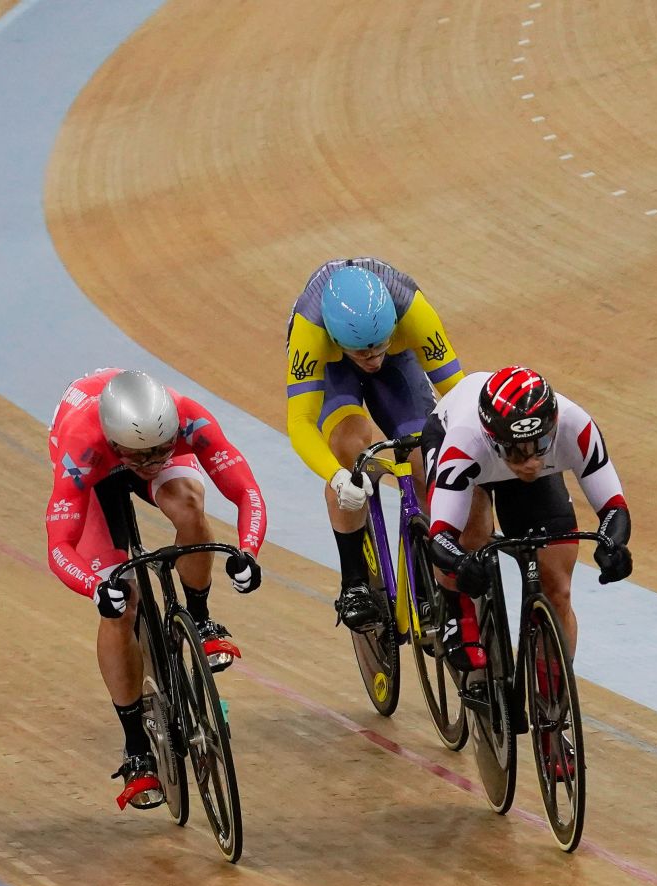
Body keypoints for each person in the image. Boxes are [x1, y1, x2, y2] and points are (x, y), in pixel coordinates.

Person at [45, 369, 266, 810]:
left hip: (129, 444)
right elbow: (58, 545)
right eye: (139, 456)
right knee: (120, 605)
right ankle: (136, 750)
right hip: (97, 470)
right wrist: (95, 588)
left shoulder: (188, 418)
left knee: (189, 507)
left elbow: (246, 493)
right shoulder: (82, 442)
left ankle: (201, 620)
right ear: (116, 441)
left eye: (160, 453)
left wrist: (247, 551)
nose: (150, 463)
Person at [424, 366, 633, 776]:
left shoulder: (575, 425)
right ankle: (457, 613)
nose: (531, 461)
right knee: (472, 535)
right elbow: (439, 536)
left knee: (558, 588)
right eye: (518, 451)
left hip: (510, 474)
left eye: (540, 446)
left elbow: (614, 508)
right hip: (470, 466)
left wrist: (614, 546)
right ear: (492, 437)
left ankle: (552, 714)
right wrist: (461, 566)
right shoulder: (465, 440)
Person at [284, 258, 466, 630]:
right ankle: (353, 583)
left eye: (379, 346)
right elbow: (300, 421)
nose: (371, 359)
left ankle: (426, 568)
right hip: (334, 370)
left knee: (423, 458)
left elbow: (459, 393)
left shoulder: (413, 310)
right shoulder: (310, 329)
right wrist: (337, 477)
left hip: (401, 362)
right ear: (336, 338)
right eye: (363, 352)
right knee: (351, 443)